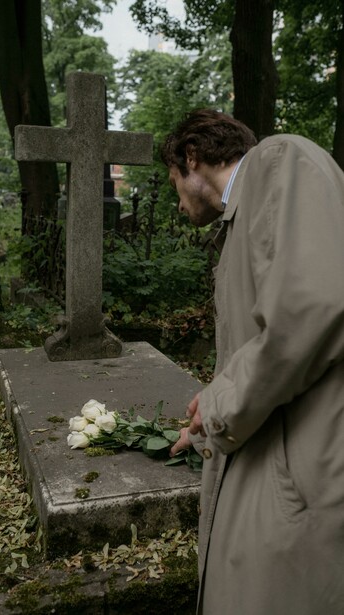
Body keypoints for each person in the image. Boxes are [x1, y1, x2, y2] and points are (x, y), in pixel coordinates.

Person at [164, 109, 344, 614]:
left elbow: (311, 309)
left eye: (174, 181)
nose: (177, 203)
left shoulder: (280, 159)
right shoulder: (244, 217)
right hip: (283, 458)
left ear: (192, 158)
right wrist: (204, 420)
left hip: (306, 476)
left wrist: (219, 402)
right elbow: (261, 348)